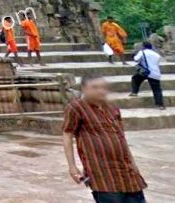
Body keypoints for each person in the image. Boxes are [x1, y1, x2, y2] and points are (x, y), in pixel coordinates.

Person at [63, 74, 148, 202]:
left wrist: (133, 163)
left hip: (126, 171)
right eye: (95, 87)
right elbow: (67, 134)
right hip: (102, 173)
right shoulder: (76, 108)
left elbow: (121, 137)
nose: (100, 91)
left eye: (103, 87)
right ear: (84, 89)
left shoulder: (112, 108)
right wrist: (72, 166)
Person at [129, 42, 165, 110]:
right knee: (157, 90)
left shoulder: (142, 52)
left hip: (145, 72)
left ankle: (134, 92)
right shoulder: (156, 54)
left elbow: (136, 59)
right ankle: (160, 105)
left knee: (135, 79)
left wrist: (134, 55)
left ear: (143, 46)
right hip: (155, 73)